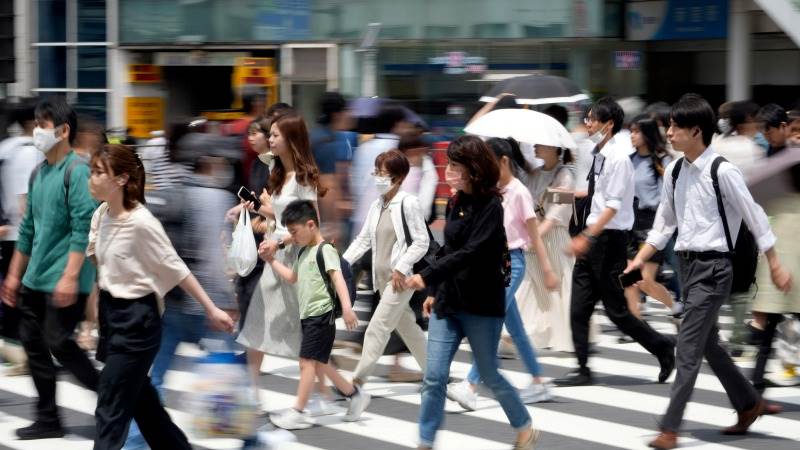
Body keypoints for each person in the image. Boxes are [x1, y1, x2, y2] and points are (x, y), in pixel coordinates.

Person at [626, 93, 793, 449]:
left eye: (675, 126)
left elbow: (755, 216)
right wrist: (641, 258)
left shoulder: (723, 171)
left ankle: (670, 428)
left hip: (716, 268)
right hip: (688, 267)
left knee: (688, 346)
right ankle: (749, 403)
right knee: (708, 344)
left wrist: (775, 263)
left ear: (696, 131)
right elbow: (663, 225)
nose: (668, 133)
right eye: (669, 125)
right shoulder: (674, 171)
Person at [85, 144, 234, 450]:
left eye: (99, 172)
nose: (92, 179)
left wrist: (211, 309)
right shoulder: (101, 215)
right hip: (112, 317)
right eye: (92, 172)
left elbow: (175, 267)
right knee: (143, 403)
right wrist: (91, 320)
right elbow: (100, 270)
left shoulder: (142, 222)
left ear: (121, 179)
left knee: (110, 404)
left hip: (138, 320)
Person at [405, 135, 541, 450]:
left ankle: (524, 427)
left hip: (481, 302)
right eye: (449, 164)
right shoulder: (455, 201)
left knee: (490, 374)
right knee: (434, 377)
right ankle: (425, 442)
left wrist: (425, 277)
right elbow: (447, 248)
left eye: (454, 165)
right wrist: (434, 289)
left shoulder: (493, 206)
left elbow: (472, 252)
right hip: (449, 301)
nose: (448, 170)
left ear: (473, 169)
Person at [121, 154, 241, 450]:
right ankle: (247, 439)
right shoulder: (217, 198)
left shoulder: (168, 196)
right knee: (227, 377)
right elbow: (216, 256)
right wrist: (225, 301)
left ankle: (137, 442)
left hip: (170, 301)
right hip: (206, 303)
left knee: (154, 378)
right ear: (212, 163)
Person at [554, 97, 675, 387]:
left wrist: (587, 236)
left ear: (608, 124)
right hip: (595, 238)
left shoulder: (618, 158)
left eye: (592, 119)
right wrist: (561, 195)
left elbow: (612, 205)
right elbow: (596, 196)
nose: (587, 123)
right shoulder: (600, 153)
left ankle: (662, 346)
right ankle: (583, 369)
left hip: (608, 241)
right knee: (578, 308)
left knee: (617, 312)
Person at [0, 98, 100, 440]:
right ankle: (48, 419)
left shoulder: (78, 170)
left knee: (59, 342)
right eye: (36, 125)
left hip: (66, 278)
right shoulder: (38, 172)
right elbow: (27, 228)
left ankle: (112, 395)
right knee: (33, 343)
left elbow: (83, 228)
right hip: (35, 278)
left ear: (63, 131)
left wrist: (71, 276)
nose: (37, 132)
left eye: (42, 126)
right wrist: (14, 275)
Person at [447, 137, 558, 411]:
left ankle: (471, 385)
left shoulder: (519, 192)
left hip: (512, 262)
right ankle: (539, 381)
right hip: (491, 262)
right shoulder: (491, 191)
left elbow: (534, 236)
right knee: (516, 329)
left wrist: (546, 270)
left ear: (504, 161)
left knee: (491, 321)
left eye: (489, 162)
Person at [236, 112, 327, 390]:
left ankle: (342, 391)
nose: (269, 139)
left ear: (291, 140)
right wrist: (261, 212)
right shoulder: (280, 174)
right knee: (256, 329)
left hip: (295, 263)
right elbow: (283, 215)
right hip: (275, 260)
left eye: (275, 135)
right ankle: (251, 397)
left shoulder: (303, 179)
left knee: (304, 337)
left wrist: (280, 241)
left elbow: (312, 225)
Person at [261, 200, 369, 429]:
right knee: (320, 363)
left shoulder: (325, 250)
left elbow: (338, 278)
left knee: (306, 362)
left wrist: (348, 309)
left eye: (294, 232)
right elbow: (293, 278)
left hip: (322, 316)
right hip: (308, 315)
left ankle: (298, 411)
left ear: (310, 225)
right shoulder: (304, 253)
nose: (293, 237)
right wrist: (271, 261)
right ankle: (354, 394)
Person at [342, 150, 429, 387]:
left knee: (377, 328)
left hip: (399, 280)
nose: (378, 177)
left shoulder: (408, 202)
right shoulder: (377, 205)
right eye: (376, 172)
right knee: (408, 328)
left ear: (399, 177)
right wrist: (340, 263)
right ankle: (435, 373)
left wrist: (401, 268)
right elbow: (363, 240)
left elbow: (422, 241)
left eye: (383, 173)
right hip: (381, 280)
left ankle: (356, 382)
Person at [748, 163, 800, 416]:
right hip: (792, 279)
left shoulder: (774, 202)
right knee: (767, 341)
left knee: (766, 342)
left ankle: (755, 393)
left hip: (776, 279)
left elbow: (764, 238)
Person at [516, 141, 577, 353]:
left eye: (541, 144)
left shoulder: (565, 175)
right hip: (536, 236)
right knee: (531, 283)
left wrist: (536, 235)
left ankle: (562, 334)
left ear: (555, 148)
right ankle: (530, 330)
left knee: (559, 285)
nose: (535, 146)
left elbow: (558, 212)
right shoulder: (534, 174)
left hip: (554, 237)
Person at [0, 100, 43, 363]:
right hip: (24, 234)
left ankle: (15, 343)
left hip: (9, 232)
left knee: (13, 289)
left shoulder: (6, 148)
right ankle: (22, 348)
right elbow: (24, 199)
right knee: (27, 292)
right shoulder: (28, 152)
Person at [624, 114, 675, 319]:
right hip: (630, 220)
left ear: (647, 133)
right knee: (629, 277)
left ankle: (676, 308)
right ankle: (635, 324)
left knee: (645, 280)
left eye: (636, 131)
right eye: (631, 131)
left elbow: (666, 197)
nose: (632, 136)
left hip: (653, 222)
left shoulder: (663, 159)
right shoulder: (629, 160)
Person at [311, 92, 355, 244]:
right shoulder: (328, 141)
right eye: (347, 111)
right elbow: (327, 184)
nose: (351, 115)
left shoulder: (316, 134)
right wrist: (333, 225)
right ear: (337, 115)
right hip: (325, 216)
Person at [398, 132, 439, 222]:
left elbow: (425, 203)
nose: (415, 158)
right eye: (410, 154)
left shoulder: (427, 169)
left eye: (418, 153)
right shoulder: (397, 165)